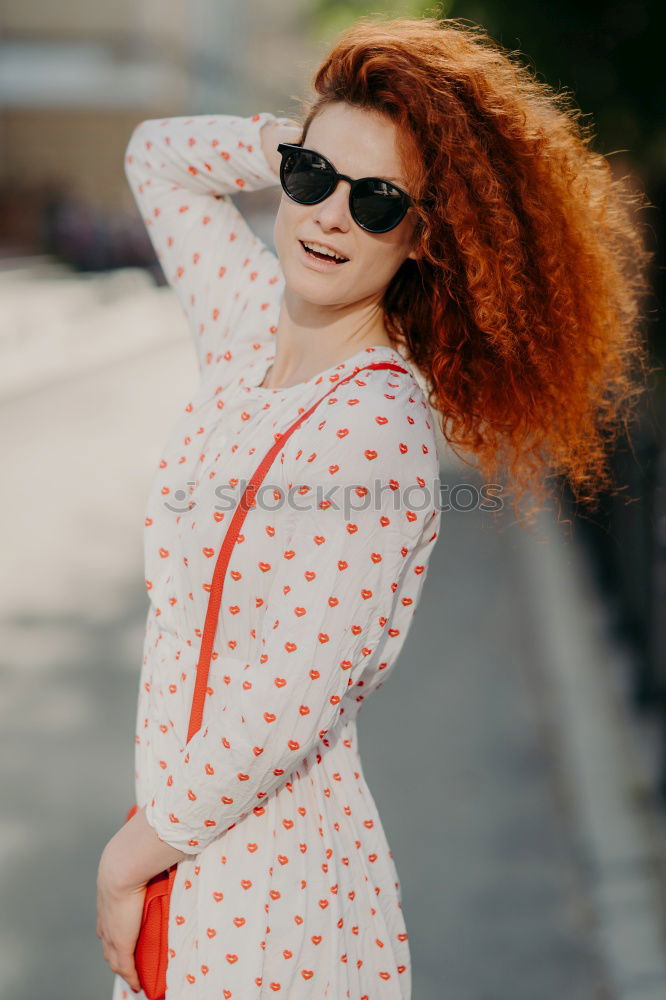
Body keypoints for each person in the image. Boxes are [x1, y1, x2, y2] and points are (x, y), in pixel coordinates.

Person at [96, 14, 652, 999]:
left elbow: (292, 691)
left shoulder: (376, 423)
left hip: (270, 900)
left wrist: (130, 854)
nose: (328, 215)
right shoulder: (245, 325)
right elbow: (157, 159)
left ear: (423, 232)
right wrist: (284, 137)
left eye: (379, 199)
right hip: (191, 859)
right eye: (313, 177)